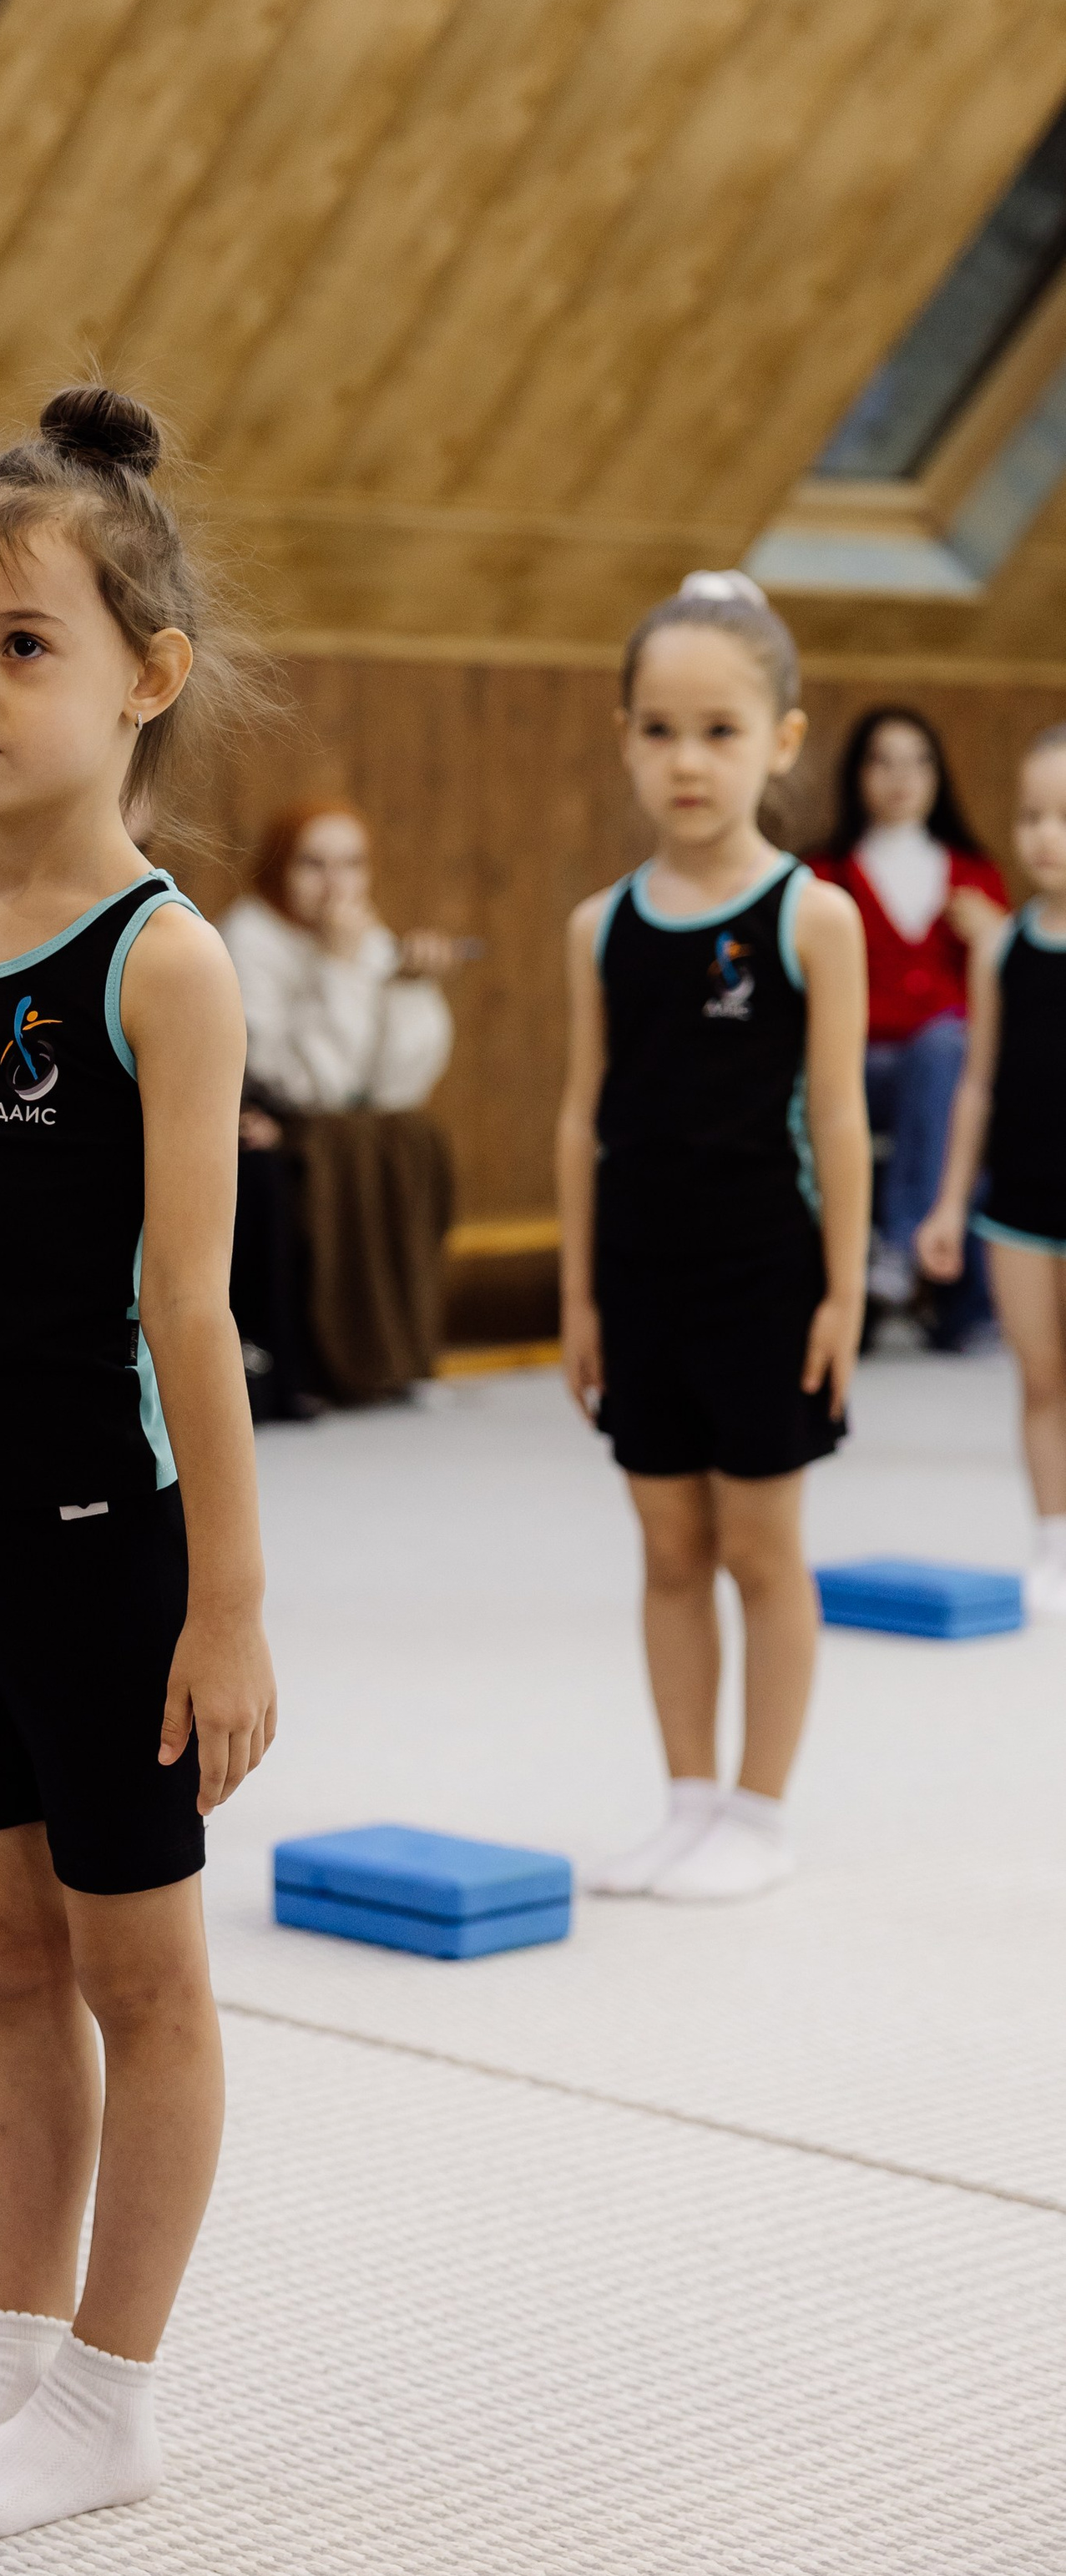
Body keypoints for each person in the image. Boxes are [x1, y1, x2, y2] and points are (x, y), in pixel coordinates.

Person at [0, 385, 275, 2541]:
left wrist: (234, 1605)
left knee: (139, 1972)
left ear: (145, 679)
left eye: (22, 648)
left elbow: (191, 1314)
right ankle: (13, 2365)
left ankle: (114, 2394)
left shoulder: (163, 962)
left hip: (111, 1551)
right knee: (3, 1961)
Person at [558, 571, 868, 1904]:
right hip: (640, 1280)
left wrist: (845, 1295)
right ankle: (686, 1797)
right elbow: (585, 1118)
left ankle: (761, 1806)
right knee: (668, 1548)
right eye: (662, 730)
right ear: (626, 735)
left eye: (722, 730)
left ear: (782, 741)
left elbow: (842, 1121)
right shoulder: (601, 927)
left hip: (766, 1276)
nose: (689, 761)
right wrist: (577, 1298)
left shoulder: (813, 918)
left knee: (759, 1546)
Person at [220, 799, 461, 1409]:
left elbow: (396, 1085)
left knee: (412, 1136)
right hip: (273, 1123)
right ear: (280, 868)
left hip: (333, 1124)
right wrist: (338, 966)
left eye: (352, 865)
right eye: (313, 864)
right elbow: (306, 1086)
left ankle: (389, 1350)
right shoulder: (247, 938)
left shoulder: (361, 934)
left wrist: (410, 988)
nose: (336, 885)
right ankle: (330, 1358)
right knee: (346, 1149)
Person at [916, 725, 1066, 1616]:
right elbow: (974, 1086)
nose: (1046, 835)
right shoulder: (999, 949)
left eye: (1065, 818)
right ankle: (1052, 1538)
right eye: (1031, 816)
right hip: (1015, 1205)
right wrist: (944, 1203)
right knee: (1039, 1379)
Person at [809, 706, 1006, 1336]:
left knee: (947, 1055)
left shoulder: (973, 874)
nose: (901, 777)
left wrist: (995, 936)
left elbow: (1016, 989)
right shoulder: (825, 876)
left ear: (937, 774)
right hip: (856, 1062)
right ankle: (910, 1243)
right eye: (883, 761)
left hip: (948, 1066)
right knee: (940, 1068)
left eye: (917, 761)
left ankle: (899, 1248)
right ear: (858, 774)